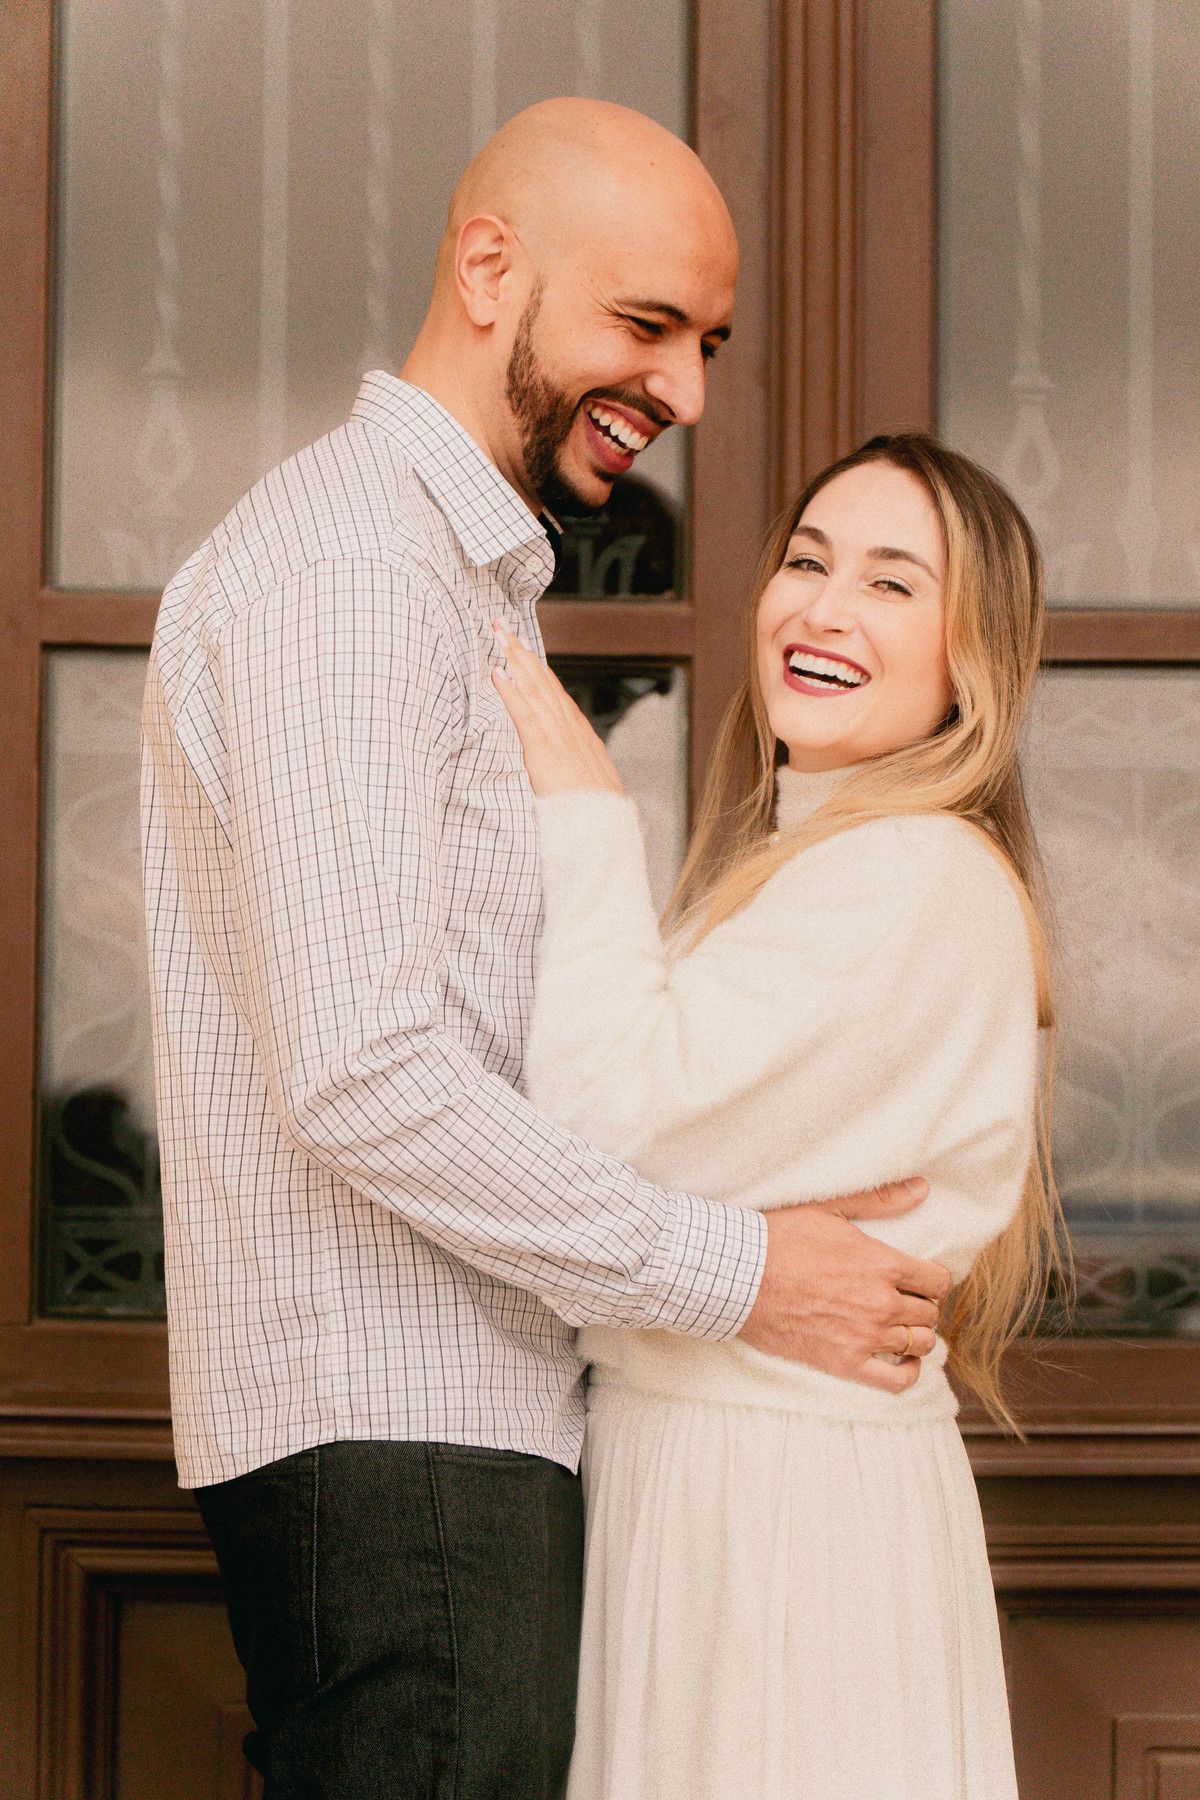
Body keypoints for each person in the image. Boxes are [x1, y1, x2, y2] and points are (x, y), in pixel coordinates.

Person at [140, 99, 952, 1799]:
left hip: (439, 1434)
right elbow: (366, 1072)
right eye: (647, 324)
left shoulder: (446, 576)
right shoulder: (360, 570)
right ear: (490, 268)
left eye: (706, 343)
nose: (686, 394)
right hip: (404, 1434)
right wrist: (744, 1273)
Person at [494, 432, 1062, 1799]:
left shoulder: (914, 875)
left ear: (972, 660)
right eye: (807, 562)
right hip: (718, 1477)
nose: (823, 607)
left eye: (891, 583)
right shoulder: (810, 861)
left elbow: (606, 1123)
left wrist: (584, 812)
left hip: (778, 1510)